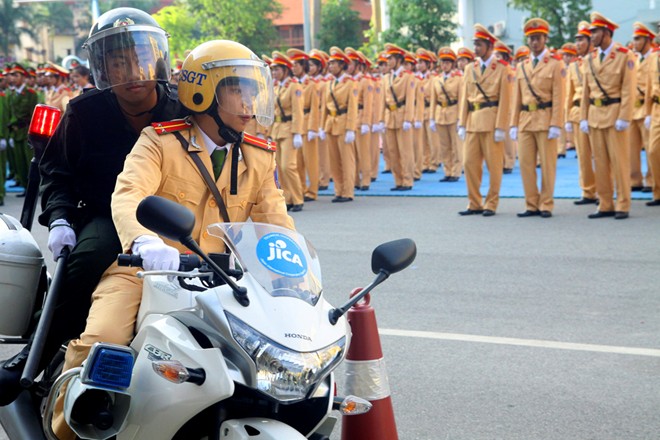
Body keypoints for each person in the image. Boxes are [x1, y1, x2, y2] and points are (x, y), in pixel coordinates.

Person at [51, 39, 294, 439]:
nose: (249, 103)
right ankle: (67, 428)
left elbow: (276, 222)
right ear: (205, 92)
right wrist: (146, 242)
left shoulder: (258, 154)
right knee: (104, 341)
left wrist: (292, 275)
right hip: (147, 273)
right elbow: (128, 194)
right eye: (238, 90)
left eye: (253, 91)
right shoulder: (159, 141)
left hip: (221, 283)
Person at [0, 7, 187, 406]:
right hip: (106, 213)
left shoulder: (183, 107)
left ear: (156, 58)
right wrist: (62, 218)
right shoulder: (85, 112)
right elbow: (56, 171)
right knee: (85, 260)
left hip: (179, 215)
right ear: (102, 67)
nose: (131, 71)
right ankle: (38, 352)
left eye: (139, 57)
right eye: (118, 62)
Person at [579, 12, 636, 220]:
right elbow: (585, 91)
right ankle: (605, 203)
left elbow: (628, 89)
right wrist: (583, 117)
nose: (591, 36)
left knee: (619, 162)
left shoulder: (624, 55)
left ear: (606, 33)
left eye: (595, 32)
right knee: (600, 162)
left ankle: (622, 203)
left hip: (614, 115)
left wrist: (625, 117)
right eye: (591, 32)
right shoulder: (590, 59)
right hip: (595, 115)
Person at [510, 18, 565, 218]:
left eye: (538, 38)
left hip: (545, 119)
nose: (534, 42)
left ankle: (546, 204)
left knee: (548, 165)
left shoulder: (555, 64)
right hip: (525, 120)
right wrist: (512, 123)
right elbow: (516, 98)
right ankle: (531, 203)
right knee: (525, 164)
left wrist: (556, 124)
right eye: (531, 38)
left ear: (545, 39)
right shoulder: (522, 66)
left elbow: (559, 96)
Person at [457, 24, 511, 216]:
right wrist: (461, 122)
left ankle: (491, 203)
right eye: (475, 44)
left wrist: (501, 127)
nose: (476, 48)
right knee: (469, 164)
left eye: (479, 44)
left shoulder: (503, 69)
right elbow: (464, 97)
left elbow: (505, 100)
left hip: (491, 122)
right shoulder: (470, 68)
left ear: (489, 46)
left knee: (494, 166)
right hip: (472, 122)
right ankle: (474, 202)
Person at [321, 47, 358, 202]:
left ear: (342, 65)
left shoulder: (350, 83)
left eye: (334, 64)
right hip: (331, 124)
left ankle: (348, 191)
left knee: (346, 160)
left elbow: (352, 107)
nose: (331, 67)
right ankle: (338, 190)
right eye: (330, 64)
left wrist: (351, 128)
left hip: (343, 124)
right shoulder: (329, 83)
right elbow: (325, 107)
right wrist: (322, 126)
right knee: (334, 161)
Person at [567, 21, 598, 205]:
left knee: (600, 155)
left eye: (582, 40)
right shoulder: (573, 66)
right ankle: (587, 191)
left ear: (590, 41)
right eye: (576, 40)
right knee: (584, 156)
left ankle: (603, 190)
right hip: (578, 112)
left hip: (595, 110)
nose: (578, 44)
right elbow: (568, 94)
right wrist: (567, 117)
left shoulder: (596, 60)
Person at [269, 51, 305, 211]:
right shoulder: (278, 87)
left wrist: (298, 132)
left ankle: (298, 199)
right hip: (278, 130)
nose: (274, 72)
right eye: (273, 69)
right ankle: (288, 199)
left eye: (277, 69)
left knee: (288, 166)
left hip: (290, 129)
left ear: (285, 70)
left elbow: (298, 111)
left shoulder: (294, 86)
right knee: (279, 168)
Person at [381, 43, 416, 191]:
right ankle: (398, 180)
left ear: (399, 60)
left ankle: (407, 180)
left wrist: (408, 118)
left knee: (405, 150)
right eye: (387, 59)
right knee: (393, 151)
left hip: (402, 116)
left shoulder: (408, 77)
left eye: (391, 59)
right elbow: (383, 100)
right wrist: (381, 119)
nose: (388, 62)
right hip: (390, 116)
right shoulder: (386, 78)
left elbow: (410, 98)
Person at [6, 63, 38, 196]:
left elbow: (33, 115)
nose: (13, 78)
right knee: (20, 164)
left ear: (24, 78)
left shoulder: (30, 94)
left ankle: (33, 189)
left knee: (29, 163)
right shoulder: (12, 94)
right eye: (11, 75)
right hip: (16, 133)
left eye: (16, 75)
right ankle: (26, 188)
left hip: (27, 133)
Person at [431, 47, 463, 182]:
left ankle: (456, 172)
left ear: (452, 64)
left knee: (456, 145)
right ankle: (447, 171)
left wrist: (461, 119)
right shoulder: (436, 79)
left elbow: (462, 99)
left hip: (453, 112)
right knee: (444, 146)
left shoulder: (458, 79)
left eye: (448, 62)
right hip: (440, 113)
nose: (445, 65)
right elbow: (434, 99)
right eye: (443, 62)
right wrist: (432, 118)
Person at [630, 22, 655, 192]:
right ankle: (634, 180)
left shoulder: (655, 59)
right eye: (634, 39)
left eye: (638, 39)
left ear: (648, 40)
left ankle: (652, 180)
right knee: (631, 148)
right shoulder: (634, 59)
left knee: (651, 149)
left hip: (648, 108)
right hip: (633, 109)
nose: (634, 42)